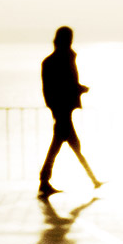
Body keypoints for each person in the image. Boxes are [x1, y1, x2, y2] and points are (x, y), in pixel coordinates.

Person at [38, 26, 102, 196]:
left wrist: (77, 89)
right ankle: (45, 180)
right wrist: (79, 89)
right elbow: (63, 85)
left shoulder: (54, 60)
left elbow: (53, 88)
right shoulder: (62, 59)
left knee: (67, 145)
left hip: (60, 108)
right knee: (68, 145)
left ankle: (92, 180)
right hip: (62, 108)